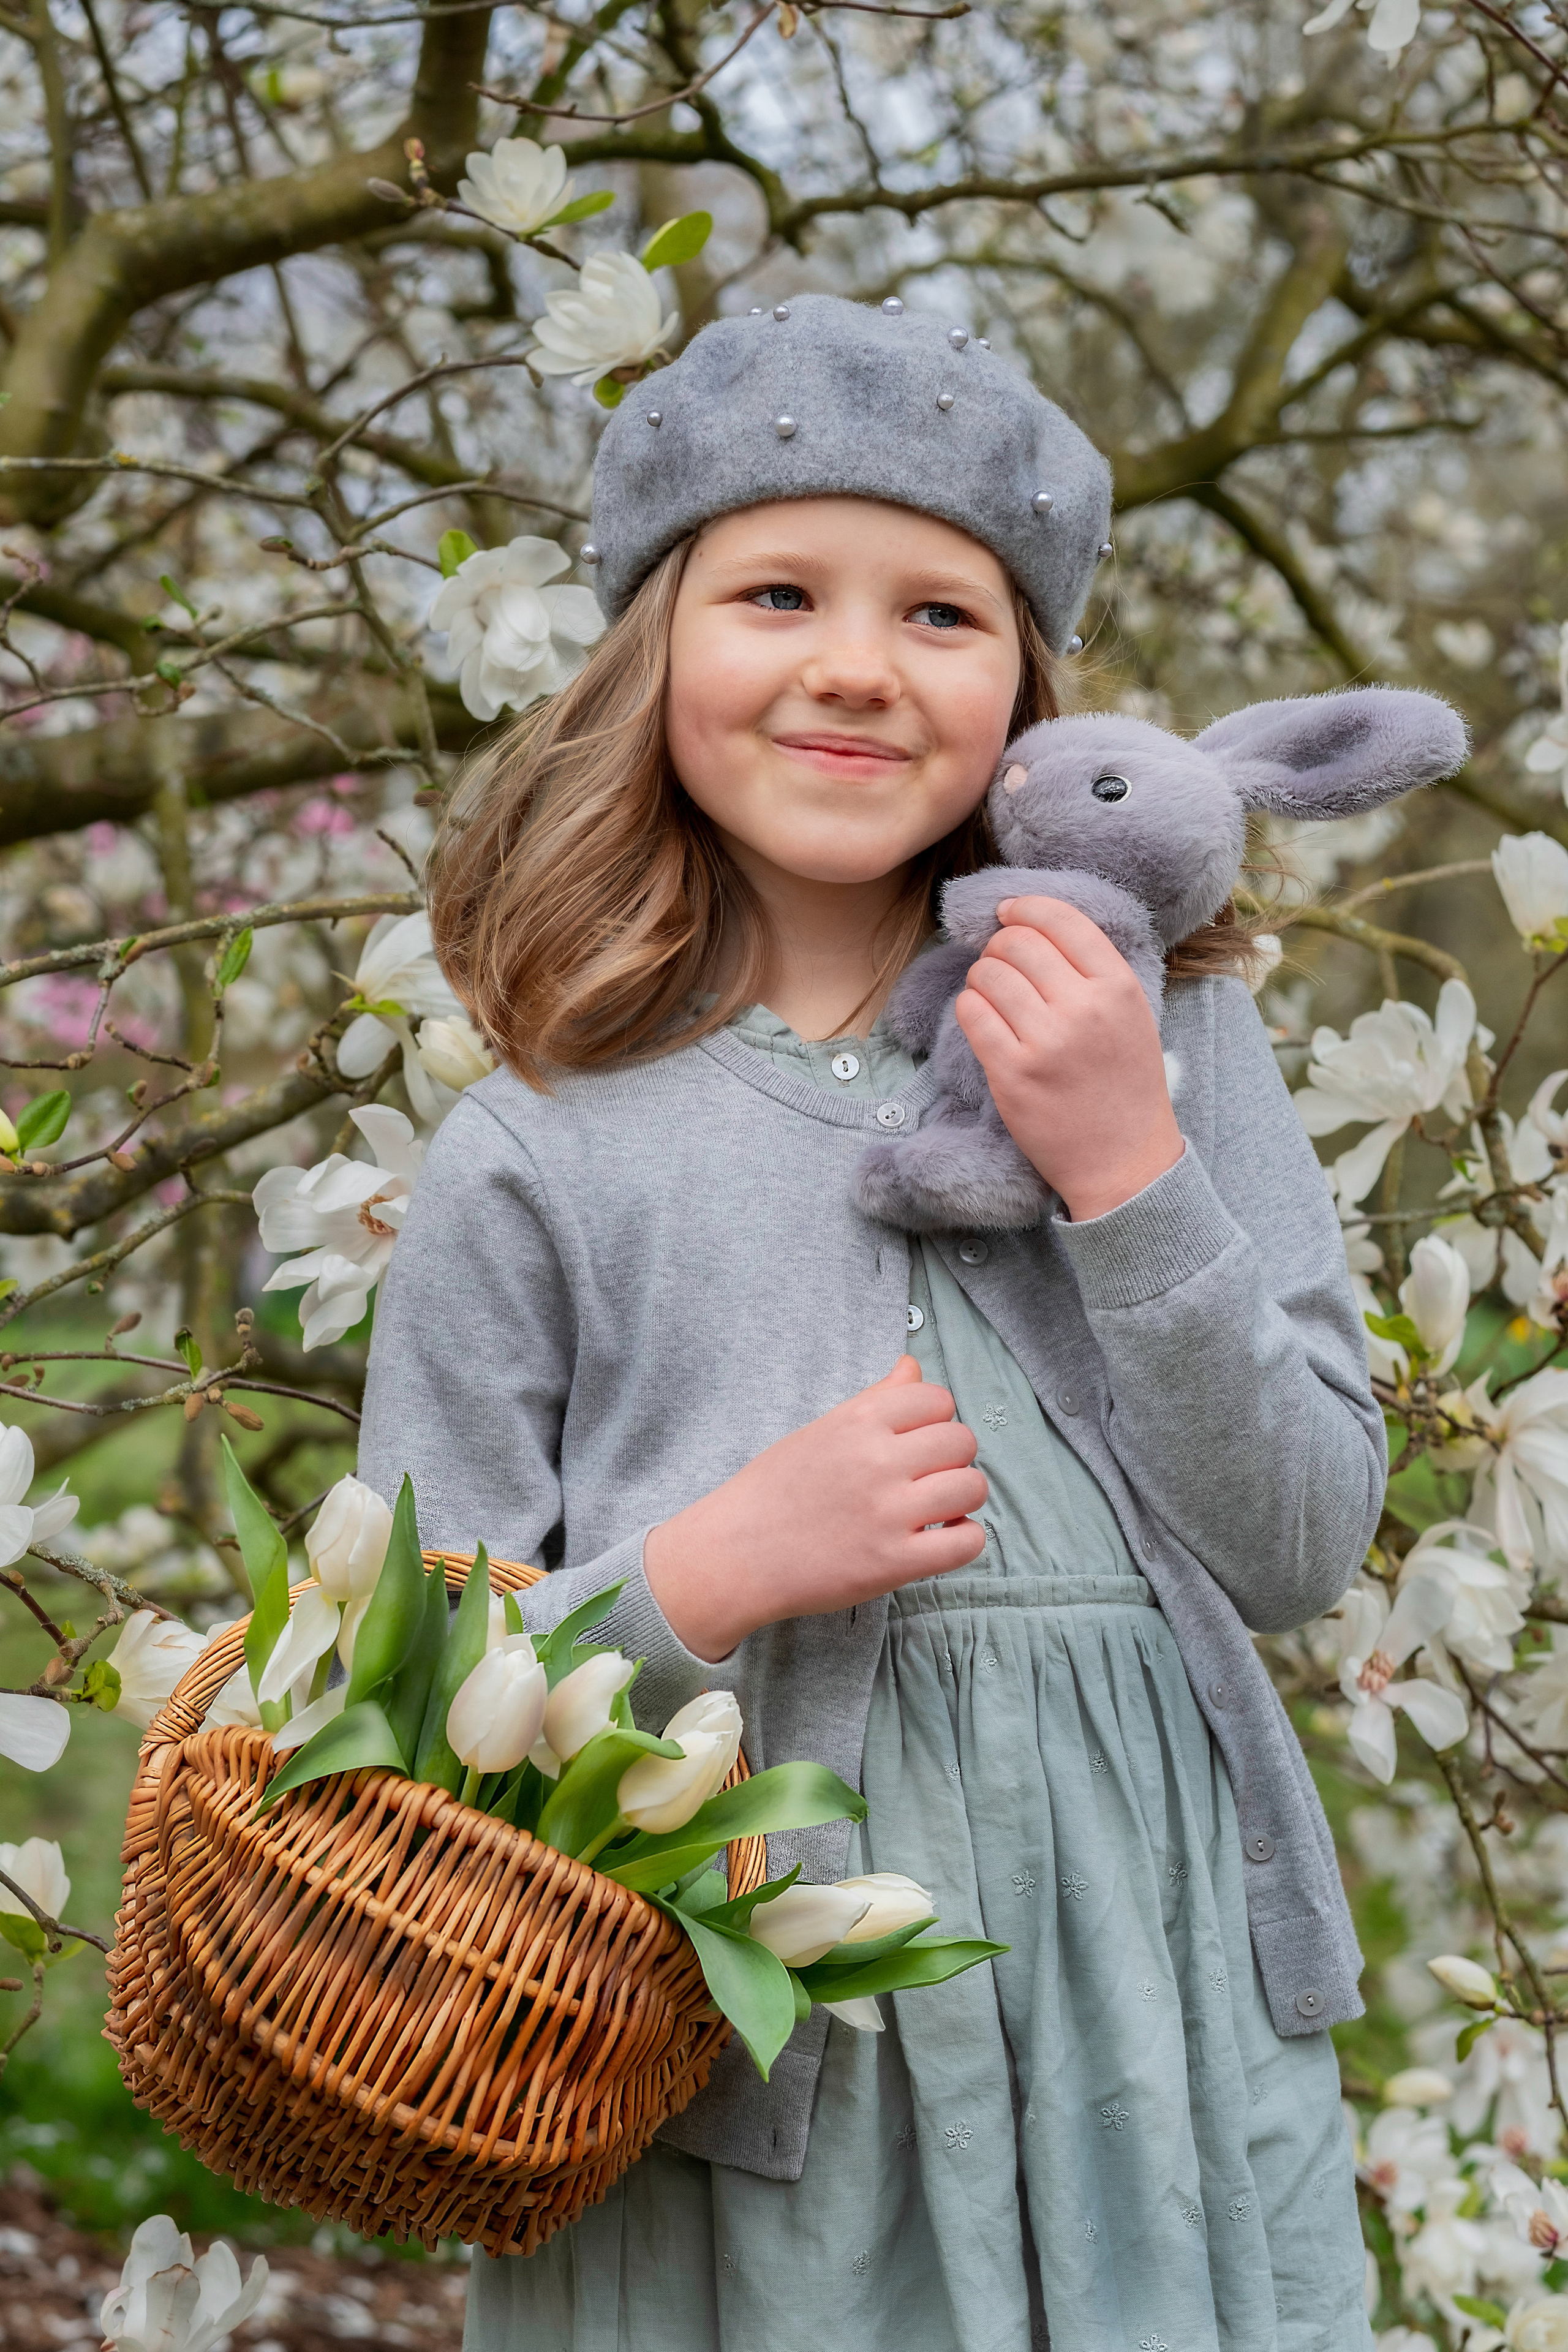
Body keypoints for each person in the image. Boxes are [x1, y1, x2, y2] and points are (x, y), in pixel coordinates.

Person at [358, 295, 1381, 2352]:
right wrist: (709, 1575)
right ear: (655, 652)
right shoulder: (539, 1147)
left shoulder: (1172, 1031)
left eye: (942, 614)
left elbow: (1299, 1539)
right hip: (740, 2079)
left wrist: (1124, 1167)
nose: (853, 663)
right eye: (778, 593)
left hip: (1144, 2015)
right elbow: (403, 1699)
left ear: (1029, 692)